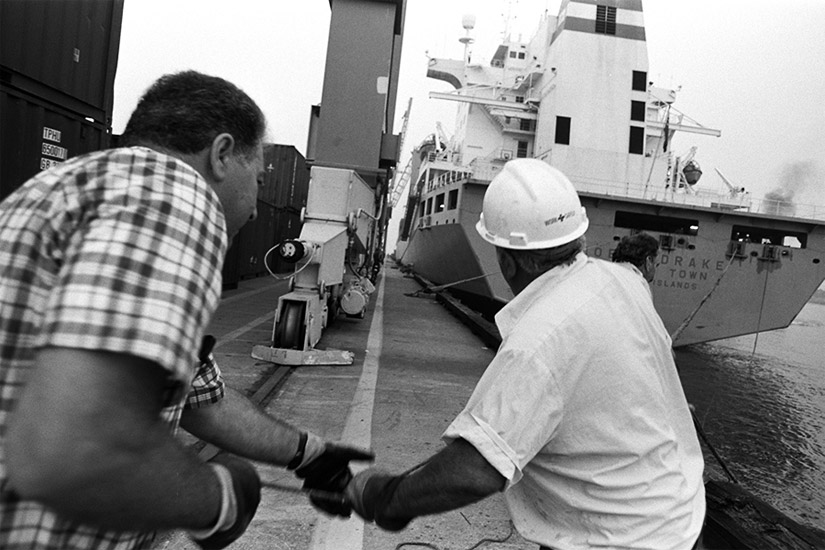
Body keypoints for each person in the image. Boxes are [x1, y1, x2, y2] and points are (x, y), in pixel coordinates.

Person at [0, 70, 369, 550]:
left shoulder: (60, 192)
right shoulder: (174, 193)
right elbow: (77, 451)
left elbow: (203, 400)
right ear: (220, 155)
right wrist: (221, 501)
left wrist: (309, 453)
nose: (256, 210)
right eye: (257, 179)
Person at [346, 159, 705, 549]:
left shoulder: (539, 341)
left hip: (617, 542)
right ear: (578, 235)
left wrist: (389, 498)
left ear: (507, 260)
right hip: (683, 522)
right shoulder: (624, 281)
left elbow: (476, 470)